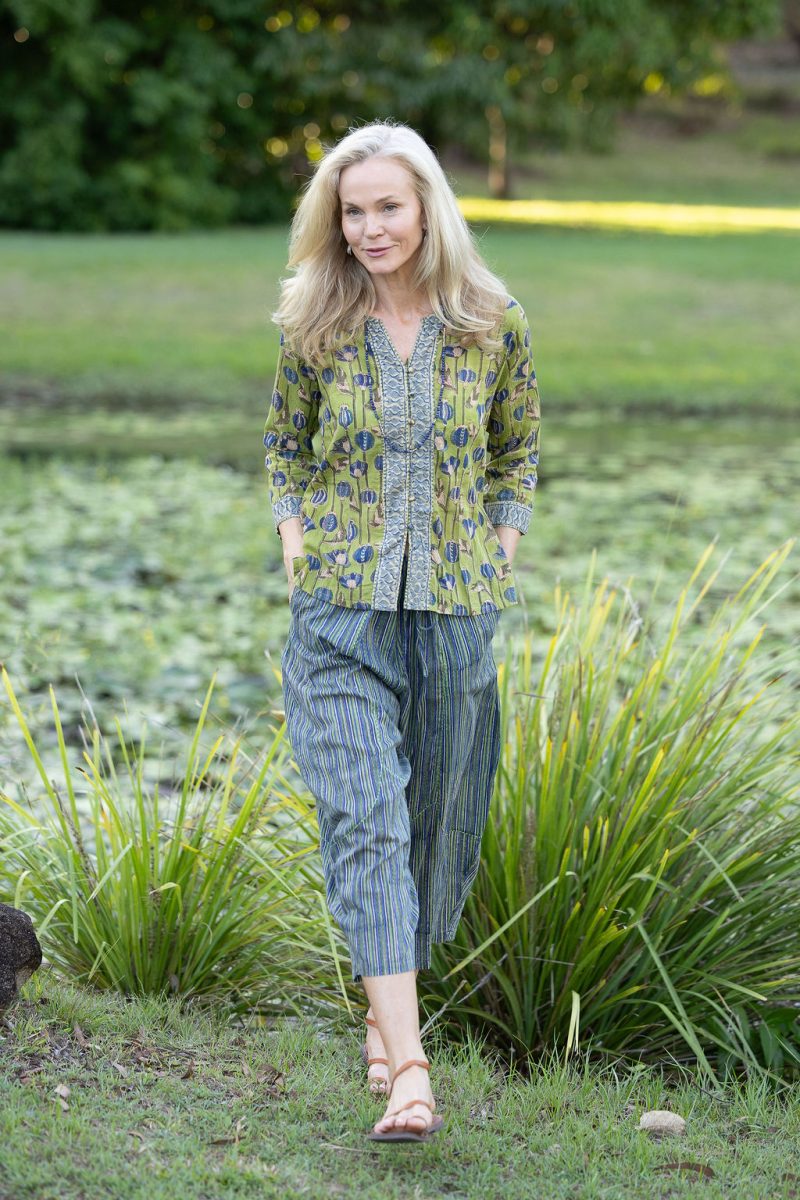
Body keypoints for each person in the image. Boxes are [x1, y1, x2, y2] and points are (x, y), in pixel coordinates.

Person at [263, 119, 541, 1143]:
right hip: (337, 616)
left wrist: (499, 550)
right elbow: (283, 448)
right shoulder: (313, 322)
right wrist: (295, 541)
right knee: (366, 819)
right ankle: (408, 1069)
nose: (369, 226)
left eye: (386, 205)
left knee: (436, 832)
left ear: (426, 207)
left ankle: (387, 1014)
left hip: (455, 619)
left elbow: (517, 451)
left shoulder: (491, 322)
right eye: (351, 210)